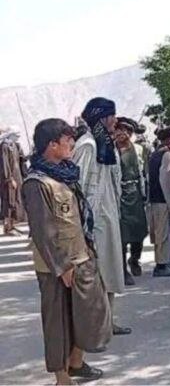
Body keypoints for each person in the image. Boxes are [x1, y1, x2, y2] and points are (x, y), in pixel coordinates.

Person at [23, 119, 112, 385]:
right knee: (58, 323)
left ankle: (76, 361)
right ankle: (61, 376)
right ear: (52, 145)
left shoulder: (65, 174)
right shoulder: (37, 183)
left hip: (81, 255)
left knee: (89, 314)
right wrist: (61, 267)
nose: (72, 144)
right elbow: (43, 231)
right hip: (57, 267)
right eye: (67, 141)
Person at [73, 97, 131, 336]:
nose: (115, 120)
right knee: (97, 273)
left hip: (109, 215)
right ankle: (95, 327)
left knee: (110, 270)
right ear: (102, 117)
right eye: (111, 116)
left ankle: (108, 321)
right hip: (95, 219)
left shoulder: (105, 143)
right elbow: (79, 185)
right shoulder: (88, 145)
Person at [114, 117, 148, 286]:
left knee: (139, 231)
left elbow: (143, 172)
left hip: (136, 194)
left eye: (127, 131)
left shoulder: (139, 149)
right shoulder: (111, 151)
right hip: (120, 196)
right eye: (119, 129)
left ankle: (135, 259)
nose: (123, 133)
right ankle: (122, 269)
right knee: (122, 234)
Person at [147, 125, 170, 277]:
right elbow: (167, 180)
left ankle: (162, 263)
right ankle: (162, 265)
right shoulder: (167, 155)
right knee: (164, 233)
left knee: (158, 232)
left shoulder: (154, 154)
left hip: (154, 198)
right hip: (162, 199)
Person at [1, 126, 26, 235]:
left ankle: (12, 225)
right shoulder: (4, 146)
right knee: (9, 201)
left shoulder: (15, 145)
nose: (17, 137)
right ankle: (7, 227)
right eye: (16, 135)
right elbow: (4, 163)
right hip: (9, 179)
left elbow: (20, 161)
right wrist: (9, 179)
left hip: (17, 176)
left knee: (16, 201)